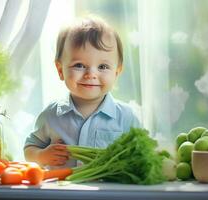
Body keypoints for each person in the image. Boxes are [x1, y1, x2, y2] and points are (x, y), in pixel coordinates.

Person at [24, 17, 140, 168]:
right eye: (79, 65)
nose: (91, 74)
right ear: (60, 70)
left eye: (103, 67)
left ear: (117, 72)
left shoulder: (126, 117)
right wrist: (41, 155)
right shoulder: (51, 115)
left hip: (109, 191)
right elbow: (29, 149)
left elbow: (141, 156)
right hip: (61, 191)